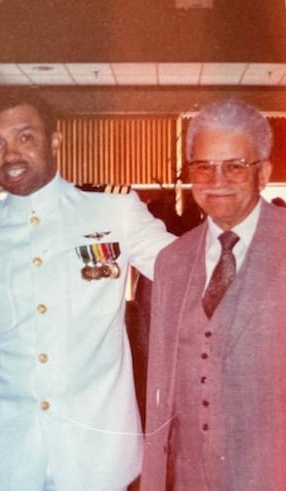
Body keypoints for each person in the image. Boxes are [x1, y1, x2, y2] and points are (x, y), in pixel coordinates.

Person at [0, 89, 175, 490]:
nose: (9, 155)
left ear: (55, 141)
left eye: (25, 137)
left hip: (97, 458)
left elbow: (187, 273)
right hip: (3, 460)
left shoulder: (111, 210)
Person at [140, 100, 286, 490]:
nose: (216, 180)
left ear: (264, 173)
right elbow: (161, 391)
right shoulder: (171, 261)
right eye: (203, 166)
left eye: (235, 166)